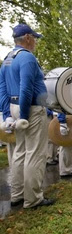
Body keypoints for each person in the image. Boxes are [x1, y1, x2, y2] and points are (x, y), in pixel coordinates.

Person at [0, 23, 54, 209]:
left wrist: (8, 114)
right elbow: (26, 88)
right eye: (35, 38)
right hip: (30, 109)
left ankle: (17, 195)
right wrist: (23, 115)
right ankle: (33, 199)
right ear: (28, 38)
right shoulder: (27, 58)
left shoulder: (8, 58)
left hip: (15, 108)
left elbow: (3, 88)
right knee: (35, 153)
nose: (36, 42)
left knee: (19, 152)